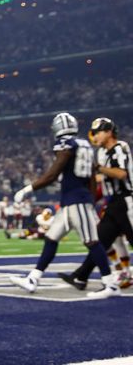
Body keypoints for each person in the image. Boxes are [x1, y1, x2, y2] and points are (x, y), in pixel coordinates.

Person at [10, 113, 119, 299]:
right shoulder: (84, 144)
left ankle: (110, 283)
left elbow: (53, 174)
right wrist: (92, 199)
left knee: (92, 241)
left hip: (77, 200)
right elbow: (92, 176)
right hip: (72, 201)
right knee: (51, 238)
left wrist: (28, 189)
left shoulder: (67, 144)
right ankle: (33, 278)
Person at [57, 118, 132, 297]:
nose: (95, 136)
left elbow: (121, 173)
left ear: (108, 132)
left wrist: (98, 168)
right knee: (99, 240)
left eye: (98, 132)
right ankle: (81, 276)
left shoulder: (120, 147)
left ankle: (85, 275)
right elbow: (102, 179)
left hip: (127, 200)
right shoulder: (101, 153)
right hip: (113, 203)